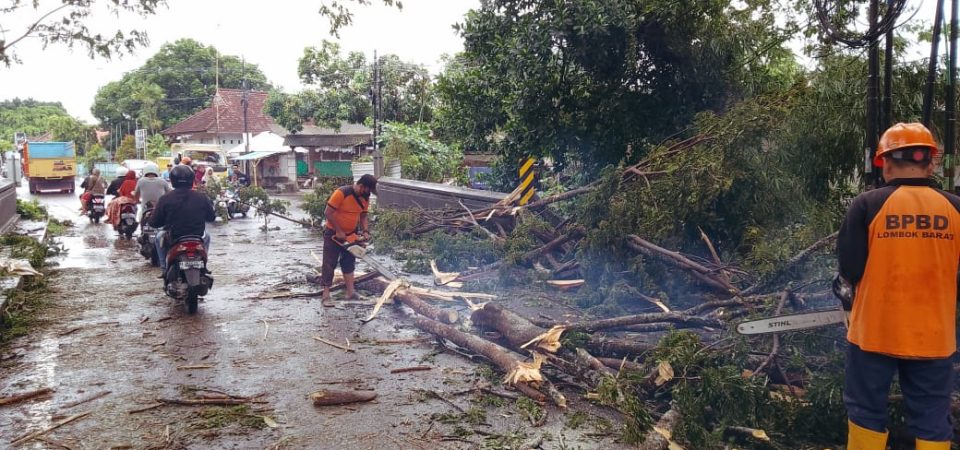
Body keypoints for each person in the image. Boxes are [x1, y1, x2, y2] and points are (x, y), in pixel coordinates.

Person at [837, 122, 960, 450]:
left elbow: (849, 268)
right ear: (929, 163)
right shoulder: (956, 208)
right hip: (935, 337)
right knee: (933, 416)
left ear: (885, 162)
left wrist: (844, 293)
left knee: (866, 411)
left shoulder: (867, 204)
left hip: (875, 333)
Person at [319, 174, 377, 307]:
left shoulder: (365, 198)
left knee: (349, 262)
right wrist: (339, 231)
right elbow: (328, 212)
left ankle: (350, 292)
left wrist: (365, 231)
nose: (368, 194)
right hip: (333, 233)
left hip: (351, 234)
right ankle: (326, 295)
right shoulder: (341, 193)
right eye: (368, 190)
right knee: (329, 263)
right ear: (362, 186)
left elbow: (363, 216)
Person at [149, 165, 215, 272]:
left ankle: (164, 268)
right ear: (192, 179)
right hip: (197, 236)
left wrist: (152, 220)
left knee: (158, 237)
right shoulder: (202, 197)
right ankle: (204, 264)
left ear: (172, 180)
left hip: (174, 237)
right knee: (207, 236)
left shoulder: (165, 198)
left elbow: (155, 222)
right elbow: (211, 217)